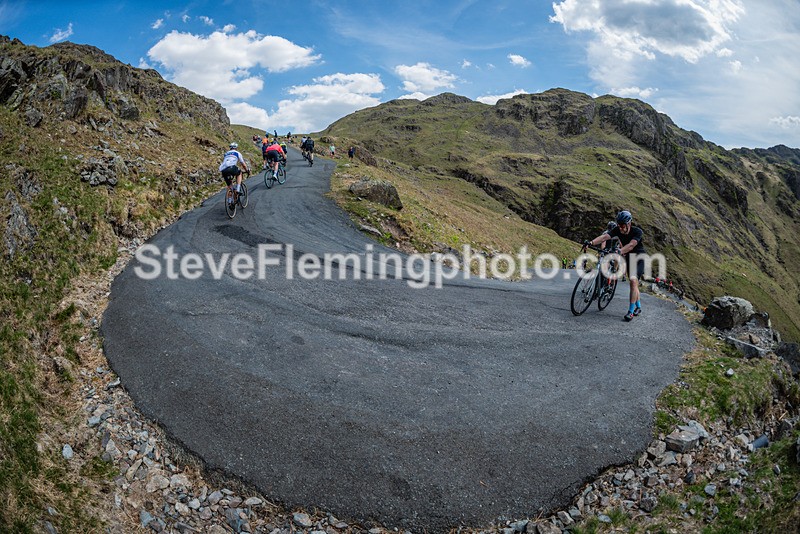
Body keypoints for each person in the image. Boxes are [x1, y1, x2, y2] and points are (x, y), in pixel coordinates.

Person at [583, 210, 646, 322]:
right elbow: (604, 237)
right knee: (633, 283)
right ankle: (639, 307)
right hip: (629, 258)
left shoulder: (637, 232)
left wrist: (620, 251)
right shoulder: (617, 230)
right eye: (619, 225)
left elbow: (631, 245)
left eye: (622, 225)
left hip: (639, 257)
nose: (620, 228)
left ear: (629, 223)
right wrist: (591, 242)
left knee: (633, 281)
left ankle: (631, 312)